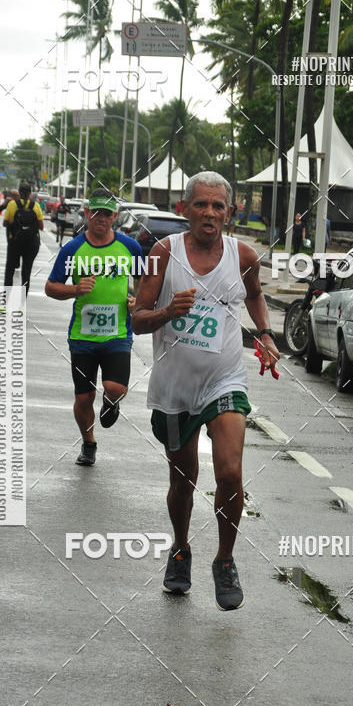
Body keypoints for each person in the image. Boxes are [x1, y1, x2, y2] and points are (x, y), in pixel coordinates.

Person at [132, 170, 280, 611]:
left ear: (229, 213)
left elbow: (255, 296)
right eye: (201, 204)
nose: (210, 213)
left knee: (230, 472)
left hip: (224, 380)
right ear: (185, 209)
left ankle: (225, 558)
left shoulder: (244, 255)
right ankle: (180, 549)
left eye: (218, 206)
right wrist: (165, 312)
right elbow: (137, 318)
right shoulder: (163, 253)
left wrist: (266, 336)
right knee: (183, 479)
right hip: (175, 388)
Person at [45, 189, 143, 466]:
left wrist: (139, 301)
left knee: (115, 387)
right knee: (84, 396)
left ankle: (111, 401)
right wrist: (75, 289)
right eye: (96, 212)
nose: (101, 218)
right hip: (82, 336)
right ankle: (89, 444)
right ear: (87, 213)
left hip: (117, 334)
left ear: (115, 216)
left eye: (107, 213)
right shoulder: (73, 249)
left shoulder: (130, 247)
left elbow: (145, 280)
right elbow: (51, 287)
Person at [3, 182, 44, 295]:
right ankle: (21, 302)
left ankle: (6, 299)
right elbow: (41, 227)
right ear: (30, 193)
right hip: (31, 244)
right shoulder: (35, 206)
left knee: (9, 271)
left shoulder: (12, 204)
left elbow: (5, 223)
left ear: (19, 192)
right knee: (26, 273)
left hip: (15, 243)